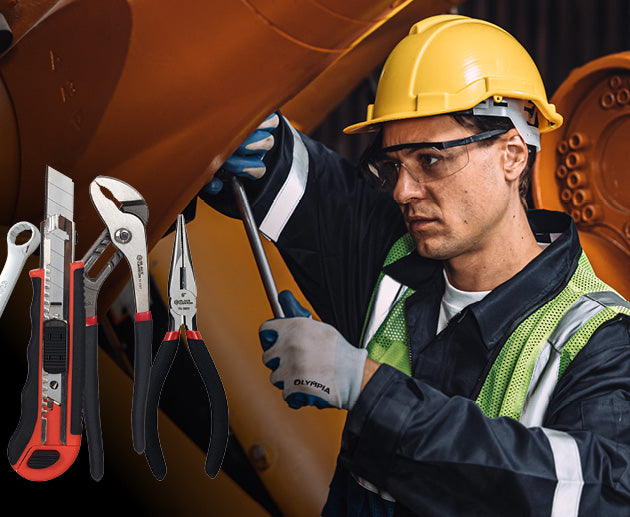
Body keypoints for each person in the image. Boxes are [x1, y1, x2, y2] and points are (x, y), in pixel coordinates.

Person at [200, 14, 630, 516]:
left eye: (430, 159)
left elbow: (603, 495)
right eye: (393, 165)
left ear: (513, 155)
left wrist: (362, 385)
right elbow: (307, 186)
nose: (404, 191)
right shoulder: (398, 258)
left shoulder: (597, 343)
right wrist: (258, 146)